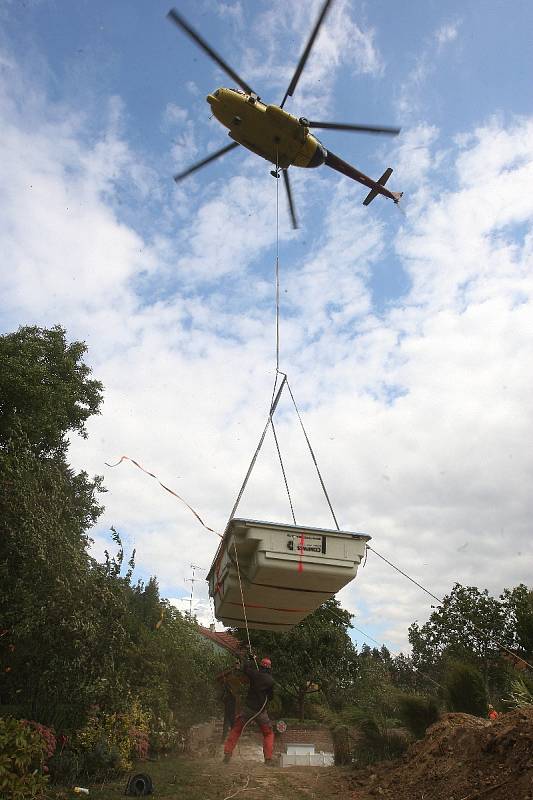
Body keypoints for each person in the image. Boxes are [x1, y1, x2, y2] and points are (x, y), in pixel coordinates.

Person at [223, 652, 275, 765]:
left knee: (236, 730)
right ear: (270, 668)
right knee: (268, 734)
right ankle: (268, 759)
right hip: (261, 712)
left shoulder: (255, 674)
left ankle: (227, 754)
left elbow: (246, 668)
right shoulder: (270, 681)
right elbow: (270, 697)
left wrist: (251, 658)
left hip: (248, 709)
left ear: (260, 666)